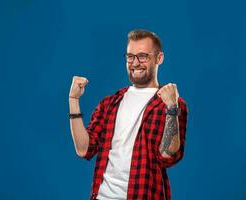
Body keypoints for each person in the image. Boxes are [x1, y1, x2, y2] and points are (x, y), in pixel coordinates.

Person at [68, 29, 188, 200]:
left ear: (159, 58)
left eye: (143, 56)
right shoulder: (110, 103)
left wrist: (172, 108)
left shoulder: (171, 103)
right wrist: (73, 99)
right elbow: (84, 150)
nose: (135, 63)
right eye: (130, 56)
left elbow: (168, 157)